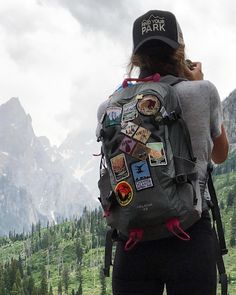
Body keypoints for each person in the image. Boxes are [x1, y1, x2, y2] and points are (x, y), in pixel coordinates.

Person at [96, 9, 229, 295]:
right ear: (180, 50)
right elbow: (221, 154)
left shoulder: (109, 108)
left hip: (133, 243)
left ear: (136, 58)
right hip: (190, 236)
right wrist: (195, 81)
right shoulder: (202, 91)